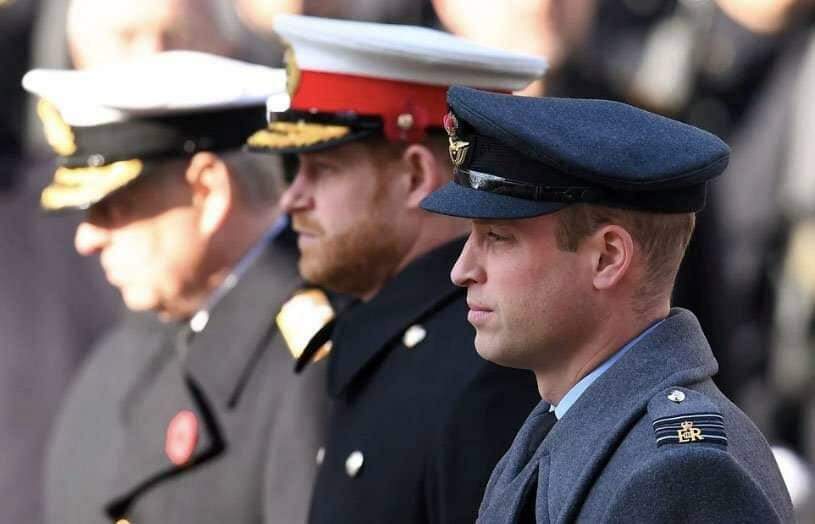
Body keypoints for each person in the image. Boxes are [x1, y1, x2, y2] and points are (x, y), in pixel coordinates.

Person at [420, 86, 795, 522]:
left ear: (608, 257)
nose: (462, 270)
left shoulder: (681, 473)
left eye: (498, 238)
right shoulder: (557, 427)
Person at [247, 14, 546, 523]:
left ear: (414, 177)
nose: (292, 198)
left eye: (323, 169)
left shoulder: (484, 372)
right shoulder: (392, 339)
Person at [24, 51, 334, 524]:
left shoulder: (309, 365)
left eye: (113, 206)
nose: (87, 238)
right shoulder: (130, 346)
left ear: (208, 193)